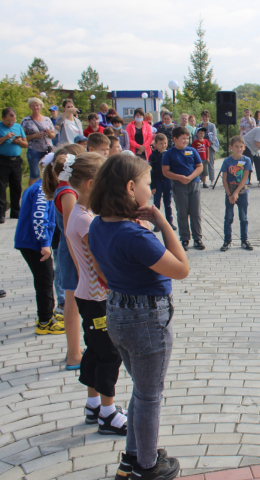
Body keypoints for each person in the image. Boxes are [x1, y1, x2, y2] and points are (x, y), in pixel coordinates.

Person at [88, 152, 189, 480]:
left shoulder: (98, 224)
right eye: (147, 184)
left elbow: (102, 272)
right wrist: (162, 223)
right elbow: (182, 268)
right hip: (146, 320)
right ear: (131, 188)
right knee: (149, 396)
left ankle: (133, 455)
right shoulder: (136, 236)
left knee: (141, 391)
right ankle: (147, 466)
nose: (151, 190)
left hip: (117, 312)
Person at [62, 152, 127, 436]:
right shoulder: (85, 220)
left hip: (88, 295)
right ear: (90, 183)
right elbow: (98, 261)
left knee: (95, 349)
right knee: (109, 354)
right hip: (96, 298)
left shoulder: (79, 212)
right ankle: (108, 413)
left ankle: (93, 404)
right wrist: (117, 283)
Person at [42, 144, 87, 368]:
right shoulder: (68, 192)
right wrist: (80, 262)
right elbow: (71, 231)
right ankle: (73, 354)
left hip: (73, 252)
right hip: (72, 254)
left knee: (75, 303)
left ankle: (76, 347)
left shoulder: (64, 188)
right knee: (72, 303)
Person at [14, 158, 60, 334]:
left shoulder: (36, 187)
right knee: (45, 280)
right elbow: (40, 219)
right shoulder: (41, 191)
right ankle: (45, 321)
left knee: (45, 279)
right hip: (34, 244)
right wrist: (45, 244)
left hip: (30, 242)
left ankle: (47, 314)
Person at [163, 126, 204, 251]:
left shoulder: (192, 151)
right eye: (183, 139)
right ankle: (184, 238)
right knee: (182, 212)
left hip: (194, 184)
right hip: (179, 185)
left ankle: (198, 239)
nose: (186, 141)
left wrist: (191, 177)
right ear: (175, 139)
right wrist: (179, 177)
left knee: (195, 213)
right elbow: (165, 171)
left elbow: (200, 166)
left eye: (187, 138)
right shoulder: (169, 153)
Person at [219, 136, 253, 252]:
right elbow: (224, 179)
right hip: (230, 192)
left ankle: (244, 240)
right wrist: (230, 194)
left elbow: (245, 177)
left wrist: (236, 193)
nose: (239, 149)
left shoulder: (246, 160)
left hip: (242, 193)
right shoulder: (227, 161)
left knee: (243, 217)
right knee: (228, 217)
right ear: (231, 147)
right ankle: (227, 240)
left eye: (241, 146)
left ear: (244, 147)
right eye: (236, 146)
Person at [0, 108, 27, 223]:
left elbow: (25, 143)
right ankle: (0, 214)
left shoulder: (18, 126)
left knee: (16, 187)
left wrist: (18, 142)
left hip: (16, 161)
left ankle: (15, 212)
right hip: (1, 161)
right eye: (8, 121)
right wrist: (5, 138)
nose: (11, 123)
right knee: (0, 188)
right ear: (3, 118)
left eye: (12, 121)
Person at [22, 97, 56, 186]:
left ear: (41, 106)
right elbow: (22, 137)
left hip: (47, 149)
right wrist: (34, 136)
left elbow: (53, 135)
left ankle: (48, 193)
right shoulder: (26, 121)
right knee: (34, 174)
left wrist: (49, 133)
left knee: (50, 173)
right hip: (34, 150)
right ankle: (32, 194)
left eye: (37, 105)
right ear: (30, 107)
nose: (35, 107)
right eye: (33, 106)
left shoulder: (47, 119)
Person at [149, 134, 175, 233]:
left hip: (168, 181)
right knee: (156, 204)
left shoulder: (169, 154)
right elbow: (151, 172)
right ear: (155, 144)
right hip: (157, 182)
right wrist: (153, 186)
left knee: (168, 203)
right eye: (161, 143)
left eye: (165, 143)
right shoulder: (153, 156)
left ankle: (169, 222)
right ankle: (157, 224)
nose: (163, 145)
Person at [196, 110, 219, 186]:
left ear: (208, 117)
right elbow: (195, 136)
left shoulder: (212, 126)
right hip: (200, 147)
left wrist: (207, 144)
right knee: (200, 163)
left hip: (210, 146)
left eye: (206, 117)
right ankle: (201, 180)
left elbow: (213, 137)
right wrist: (199, 144)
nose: (204, 118)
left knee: (210, 163)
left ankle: (212, 180)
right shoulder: (198, 126)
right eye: (203, 117)